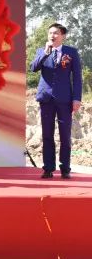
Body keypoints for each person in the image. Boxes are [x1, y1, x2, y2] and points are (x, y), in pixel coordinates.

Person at [31, 23, 83, 179]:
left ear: (63, 36)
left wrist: (76, 98)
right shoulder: (41, 51)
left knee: (65, 135)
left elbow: (77, 77)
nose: (52, 36)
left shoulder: (71, 52)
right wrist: (45, 53)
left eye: (55, 33)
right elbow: (33, 68)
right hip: (46, 99)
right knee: (47, 134)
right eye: (50, 33)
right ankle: (48, 168)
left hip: (65, 99)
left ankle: (65, 168)